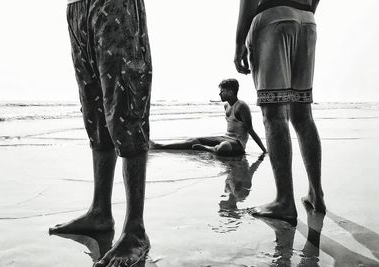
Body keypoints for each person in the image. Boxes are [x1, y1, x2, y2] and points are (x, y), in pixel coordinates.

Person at [49, 0, 152, 266]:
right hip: (77, 10)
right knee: (95, 110)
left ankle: (135, 229)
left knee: (125, 101)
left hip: (113, 5)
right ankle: (100, 211)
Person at [234, 0, 326, 226]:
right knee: (303, 114)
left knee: (274, 114)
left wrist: (238, 43)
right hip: (306, 20)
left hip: (273, 16)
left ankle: (284, 201)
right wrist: (303, 13)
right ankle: (316, 194)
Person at [152, 79, 267, 156]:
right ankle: (159, 145)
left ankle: (209, 149)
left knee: (224, 147)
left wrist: (264, 150)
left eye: (222, 91)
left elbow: (250, 130)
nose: (219, 94)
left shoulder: (242, 106)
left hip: (237, 143)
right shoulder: (226, 105)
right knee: (194, 140)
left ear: (231, 92)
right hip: (224, 137)